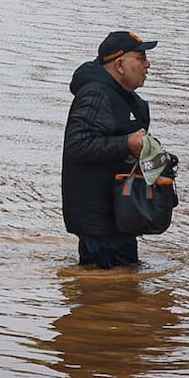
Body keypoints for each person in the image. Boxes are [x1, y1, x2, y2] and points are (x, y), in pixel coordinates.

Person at [61, 30, 157, 268]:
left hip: (119, 216)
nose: (148, 64)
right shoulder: (95, 94)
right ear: (120, 64)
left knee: (118, 287)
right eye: (141, 57)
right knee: (113, 292)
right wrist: (126, 144)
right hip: (100, 220)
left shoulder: (125, 98)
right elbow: (77, 145)